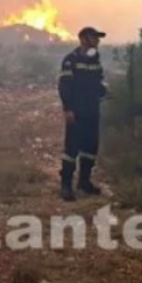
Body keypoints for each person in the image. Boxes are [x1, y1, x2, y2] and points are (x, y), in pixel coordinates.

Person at [57, 26, 108, 201]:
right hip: (77, 111)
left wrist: (105, 92)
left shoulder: (95, 60)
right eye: (94, 37)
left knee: (90, 148)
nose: (98, 41)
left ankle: (84, 182)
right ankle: (66, 185)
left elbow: (97, 83)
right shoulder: (71, 60)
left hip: (92, 110)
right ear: (84, 39)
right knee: (72, 148)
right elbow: (65, 86)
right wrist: (67, 109)